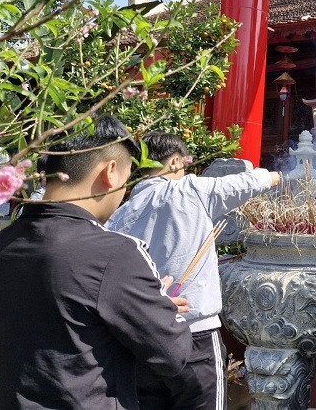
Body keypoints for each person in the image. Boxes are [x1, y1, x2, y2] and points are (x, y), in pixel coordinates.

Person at [0, 115, 192, 409]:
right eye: (127, 180)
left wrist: (140, 304)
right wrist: (157, 307)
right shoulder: (115, 254)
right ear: (110, 172)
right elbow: (173, 354)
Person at [107, 131, 281, 410]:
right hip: (194, 334)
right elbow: (255, 180)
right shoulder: (191, 190)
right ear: (175, 161)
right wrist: (276, 176)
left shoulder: (122, 213)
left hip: (143, 337)